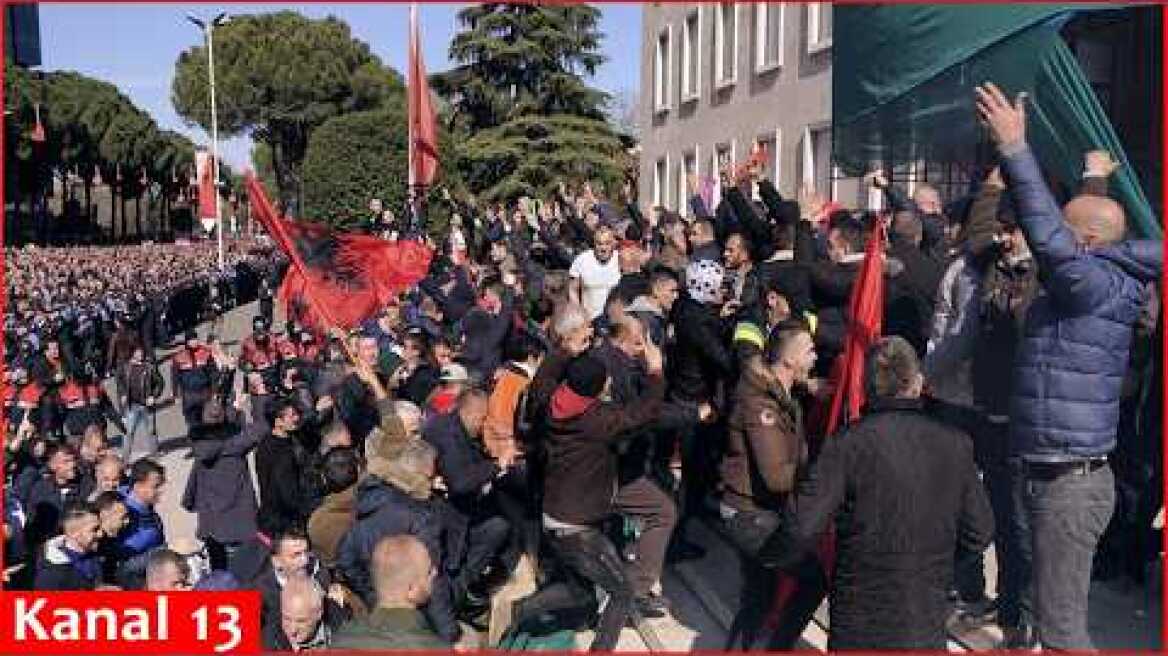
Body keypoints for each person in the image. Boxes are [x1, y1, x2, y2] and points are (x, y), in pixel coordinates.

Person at [976, 81, 1163, 649]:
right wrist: (1094, 176)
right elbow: (1081, 228)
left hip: (1068, 484)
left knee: (1062, 633)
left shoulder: (1093, 284)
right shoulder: (1095, 272)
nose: (1046, 239)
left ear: (1082, 244)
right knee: (1047, 615)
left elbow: (1056, 241)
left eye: (1063, 231)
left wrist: (1016, 150)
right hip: (1047, 468)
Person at [760, 336, 993, 649]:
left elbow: (801, 527)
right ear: (917, 384)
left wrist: (768, 558)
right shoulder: (955, 444)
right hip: (921, 618)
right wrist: (936, 569)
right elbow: (979, 532)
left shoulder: (848, 444)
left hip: (860, 620)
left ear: (867, 388)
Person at [531, 332, 668, 650]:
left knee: (581, 591)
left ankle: (521, 611)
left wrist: (564, 351)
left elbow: (542, 380)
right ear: (596, 389)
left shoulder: (551, 401)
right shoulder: (596, 421)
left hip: (555, 515)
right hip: (577, 528)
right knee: (622, 592)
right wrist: (655, 371)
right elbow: (643, 413)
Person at [720, 319, 816, 649]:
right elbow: (776, 477)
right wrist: (820, 471)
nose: (815, 357)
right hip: (749, 514)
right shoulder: (760, 405)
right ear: (789, 359)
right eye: (810, 351)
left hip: (762, 511)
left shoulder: (781, 393)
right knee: (811, 580)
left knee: (759, 594)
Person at [182, 396, 260, 571]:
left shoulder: (200, 446)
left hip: (211, 525)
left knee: (218, 570)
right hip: (238, 524)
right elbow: (260, 428)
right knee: (242, 571)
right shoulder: (237, 444)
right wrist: (240, 410)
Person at [330, 535, 447, 650]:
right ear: (411, 590)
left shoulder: (341, 638)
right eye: (429, 571)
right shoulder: (434, 648)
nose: (435, 572)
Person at [255, 398, 309, 538]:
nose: (296, 418)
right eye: (291, 416)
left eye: (296, 414)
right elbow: (287, 492)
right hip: (283, 519)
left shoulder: (283, 440)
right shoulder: (277, 451)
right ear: (278, 421)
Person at [114, 458, 167, 587]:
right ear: (138, 486)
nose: (160, 491)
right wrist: (164, 552)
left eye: (161, 485)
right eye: (155, 486)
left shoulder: (148, 510)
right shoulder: (120, 516)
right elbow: (123, 566)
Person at [33, 502, 103, 590]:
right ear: (73, 533)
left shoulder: (94, 555)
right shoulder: (51, 574)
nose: (101, 534)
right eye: (95, 529)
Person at [117, 346, 164, 462]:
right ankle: (125, 459)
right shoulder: (126, 367)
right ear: (132, 353)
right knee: (128, 432)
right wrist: (123, 394)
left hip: (146, 405)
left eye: (141, 352)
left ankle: (154, 454)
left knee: (151, 431)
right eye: (137, 352)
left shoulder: (149, 367)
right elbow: (120, 382)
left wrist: (153, 396)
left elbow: (160, 383)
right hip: (132, 405)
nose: (140, 354)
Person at [569, 226, 621, 320]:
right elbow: (572, 289)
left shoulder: (620, 259)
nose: (603, 248)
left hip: (615, 320)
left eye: (607, 243)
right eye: (599, 244)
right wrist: (579, 311)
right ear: (594, 243)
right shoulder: (582, 260)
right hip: (589, 319)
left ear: (613, 243)